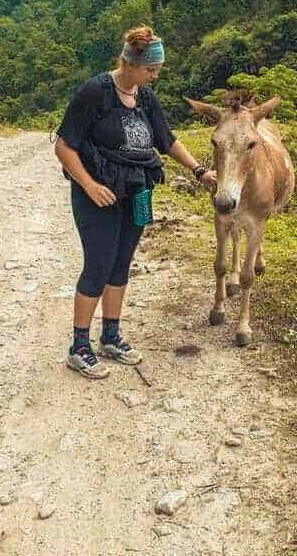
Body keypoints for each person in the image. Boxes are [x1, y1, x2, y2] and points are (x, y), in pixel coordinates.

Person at [53, 26, 217, 379]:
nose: (155, 76)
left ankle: (110, 337)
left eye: (157, 69)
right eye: (150, 69)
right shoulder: (95, 92)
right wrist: (89, 185)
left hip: (137, 192)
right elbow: (64, 146)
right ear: (129, 63)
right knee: (98, 266)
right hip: (99, 195)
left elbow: (167, 141)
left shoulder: (145, 97)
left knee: (120, 265)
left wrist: (199, 171)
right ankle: (79, 348)